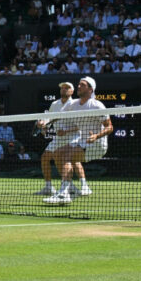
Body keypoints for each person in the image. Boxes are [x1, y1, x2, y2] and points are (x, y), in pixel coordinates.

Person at [44, 77, 113, 205]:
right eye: (79, 84)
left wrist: (96, 136)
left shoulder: (97, 105)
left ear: (90, 89)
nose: (79, 86)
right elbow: (56, 117)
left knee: (66, 156)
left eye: (82, 85)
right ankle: (71, 189)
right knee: (57, 153)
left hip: (97, 144)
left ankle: (64, 193)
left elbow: (110, 127)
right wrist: (44, 123)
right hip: (82, 142)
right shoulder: (73, 104)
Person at [34, 82, 82, 196]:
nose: (64, 89)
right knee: (45, 157)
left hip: (73, 137)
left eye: (67, 88)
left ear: (72, 91)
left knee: (69, 160)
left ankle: (75, 186)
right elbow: (49, 119)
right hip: (59, 138)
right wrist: (43, 124)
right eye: (62, 88)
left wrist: (66, 131)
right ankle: (48, 187)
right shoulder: (55, 104)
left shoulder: (76, 104)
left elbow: (81, 124)